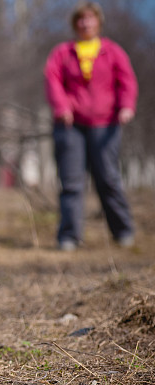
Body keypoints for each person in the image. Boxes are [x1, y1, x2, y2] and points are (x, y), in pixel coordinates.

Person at [44, 1, 138, 250]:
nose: (86, 23)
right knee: (72, 183)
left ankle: (123, 231)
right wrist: (62, 107)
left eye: (90, 18)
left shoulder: (113, 51)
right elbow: (52, 80)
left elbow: (127, 81)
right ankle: (69, 236)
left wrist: (127, 106)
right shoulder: (63, 52)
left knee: (108, 178)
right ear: (75, 23)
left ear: (98, 22)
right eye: (81, 19)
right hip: (71, 126)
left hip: (105, 125)